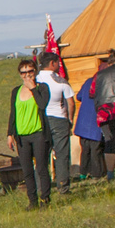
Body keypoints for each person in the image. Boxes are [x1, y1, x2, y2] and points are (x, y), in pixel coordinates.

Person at [8, 58, 52, 209]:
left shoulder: (43, 88)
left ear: (35, 71)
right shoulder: (16, 91)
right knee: (27, 170)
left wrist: (33, 88)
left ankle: (45, 199)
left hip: (38, 133)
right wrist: (10, 134)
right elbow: (13, 114)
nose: (27, 75)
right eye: (23, 72)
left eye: (30, 71)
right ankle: (32, 201)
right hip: (22, 136)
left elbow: (42, 104)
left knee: (41, 168)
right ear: (20, 74)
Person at [37, 52, 77, 194]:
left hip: (41, 119)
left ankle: (41, 186)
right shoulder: (60, 81)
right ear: (53, 64)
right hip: (59, 118)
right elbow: (70, 103)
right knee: (62, 153)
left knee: (41, 154)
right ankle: (63, 185)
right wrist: (70, 119)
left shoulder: (36, 79)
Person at [93, 49, 115, 177]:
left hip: (104, 112)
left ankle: (110, 172)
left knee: (109, 140)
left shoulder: (98, 75)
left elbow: (92, 92)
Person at [74, 69, 107, 181]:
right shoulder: (103, 85)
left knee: (85, 149)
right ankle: (96, 174)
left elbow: (78, 97)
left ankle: (83, 173)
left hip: (83, 122)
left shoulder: (88, 81)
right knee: (95, 150)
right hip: (95, 121)